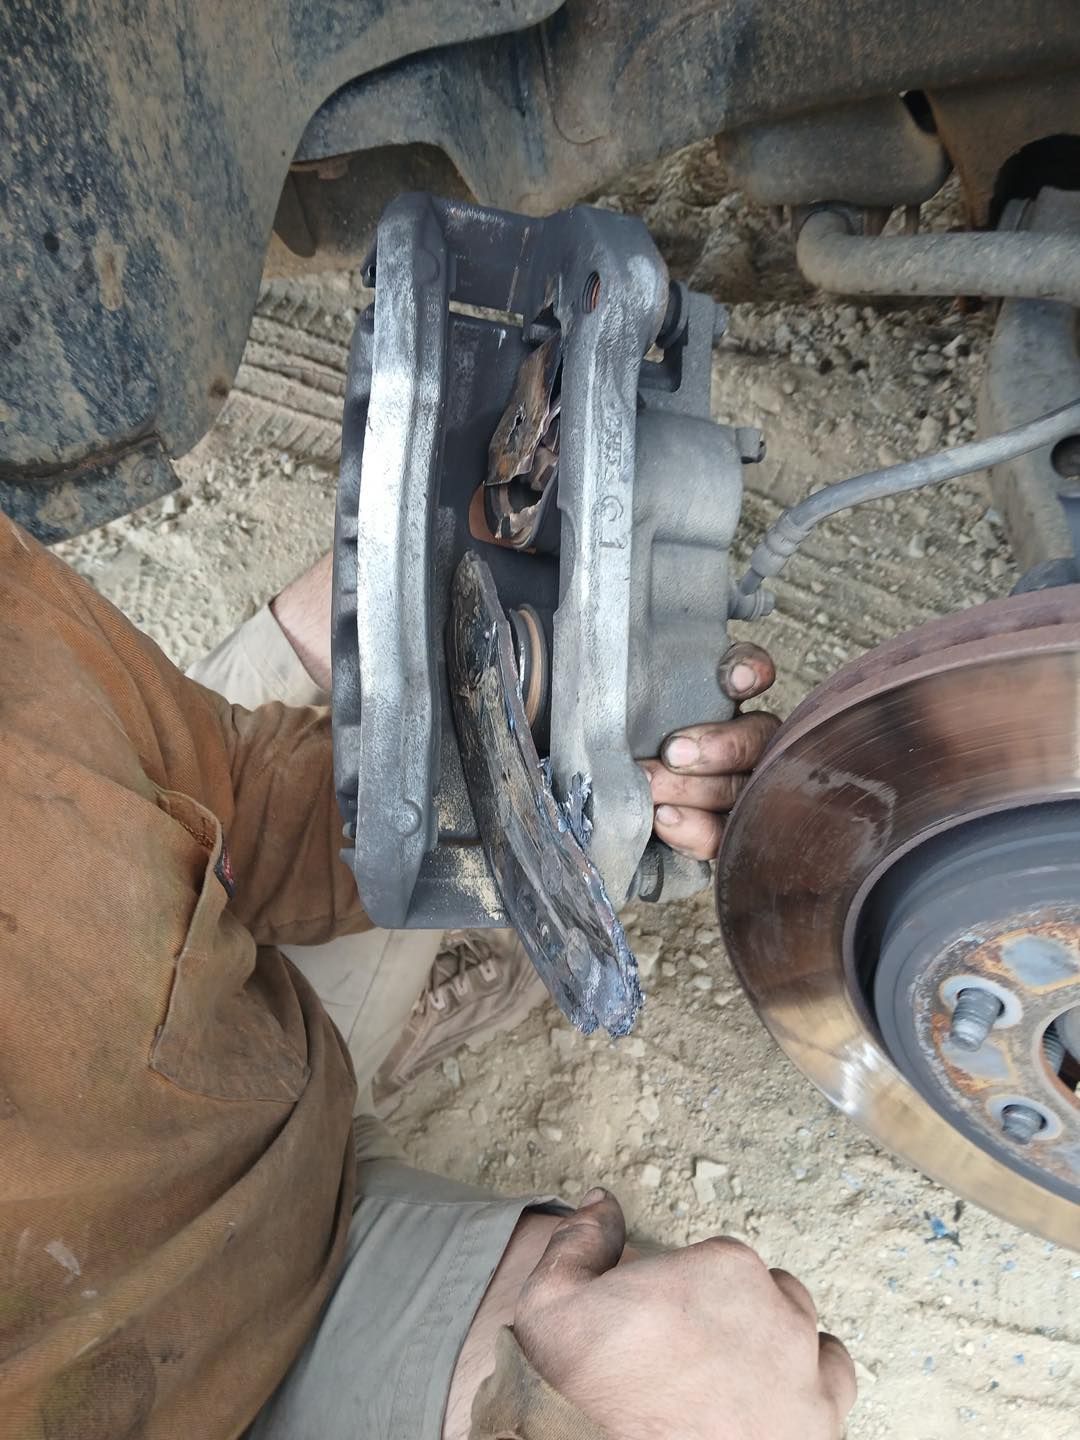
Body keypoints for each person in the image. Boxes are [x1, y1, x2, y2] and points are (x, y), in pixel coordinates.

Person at [0, 511, 856, 1438]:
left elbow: (239, 794)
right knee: (675, 1389)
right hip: (185, 1393)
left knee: (410, 570)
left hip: (258, 1076)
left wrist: (521, 787)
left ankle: (345, 1028)